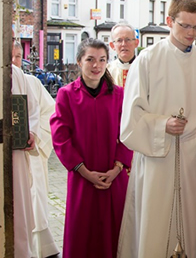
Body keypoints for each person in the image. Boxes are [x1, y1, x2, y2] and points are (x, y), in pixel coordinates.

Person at [117, 0, 196, 258]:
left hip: (189, 161)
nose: (192, 33)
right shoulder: (147, 60)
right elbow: (130, 119)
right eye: (185, 26)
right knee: (155, 225)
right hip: (156, 161)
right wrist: (163, 124)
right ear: (169, 21)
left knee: (188, 223)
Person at [50, 38, 133, 258]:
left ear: (107, 62)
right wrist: (85, 172)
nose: (96, 65)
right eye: (90, 59)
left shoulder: (118, 95)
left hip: (113, 177)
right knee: (82, 235)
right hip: (82, 178)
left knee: (115, 235)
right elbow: (60, 138)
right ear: (79, 61)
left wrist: (117, 168)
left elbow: (127, 134)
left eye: (102, 59)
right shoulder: (66, 95)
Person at [12, 41, 59, 258]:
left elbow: (49, 113)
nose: (14, 61)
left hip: (29, 153)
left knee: (34, 203)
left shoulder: (30, 82)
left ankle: (40, 248)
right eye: (10, 56)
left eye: (18, 56)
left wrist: (35, 136)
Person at [11, 61, 39, 258]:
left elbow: (32, 108)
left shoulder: (15, 73)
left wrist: (31, 132)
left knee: (16, 211)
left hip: (14, 154)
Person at [107, 22, 139, 88]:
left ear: (136, 43)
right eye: (119, 40)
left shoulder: (145, 68)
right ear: (112, 45)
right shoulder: (107, 71)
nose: (124, 44)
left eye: (128, 40)